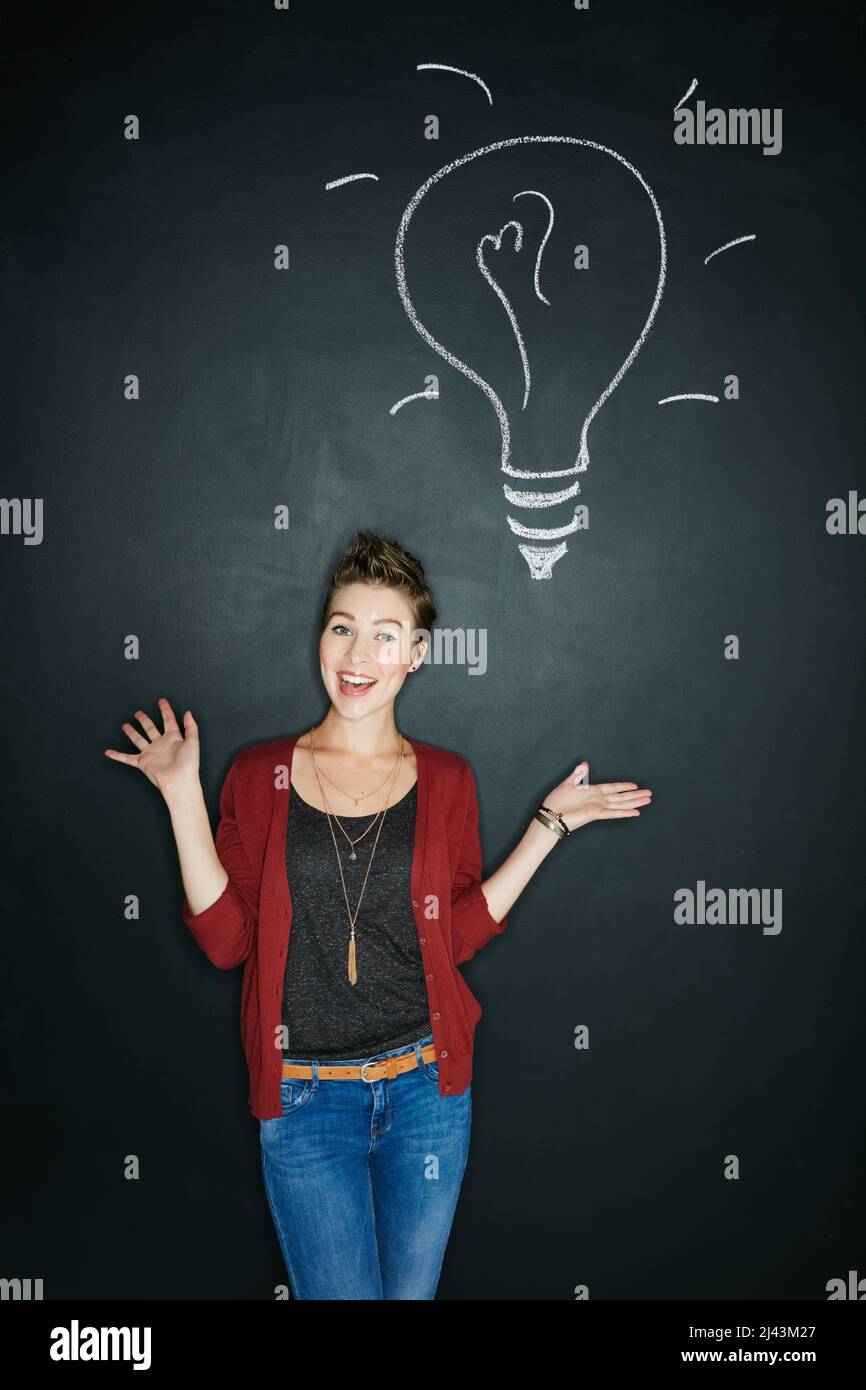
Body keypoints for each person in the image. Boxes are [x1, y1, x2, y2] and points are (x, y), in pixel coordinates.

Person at [104, 530, 652, 1299]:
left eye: (384, 635)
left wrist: (548, 826)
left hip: (428, 1091)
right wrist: (180, 794)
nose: (357, 654)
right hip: (304, 1098)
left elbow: (453, 935)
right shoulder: (261, 775)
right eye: (342, 627)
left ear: (417, 654)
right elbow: (229, 944)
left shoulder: (449, 781)